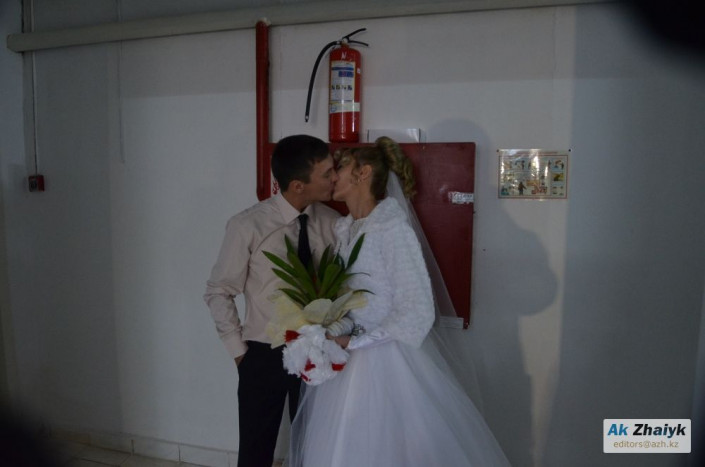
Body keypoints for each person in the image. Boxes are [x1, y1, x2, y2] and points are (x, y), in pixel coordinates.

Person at [290, 137, 511, 466]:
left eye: (341, 168)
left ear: (363, 173)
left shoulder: (392, 230)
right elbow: (348, 298)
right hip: (347, 355)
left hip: (387, 359)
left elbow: (417, 309)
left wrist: (357, 340)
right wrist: (330, 330)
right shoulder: (346, 230)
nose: (333, 176)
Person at [204, 135, 340, 467]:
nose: (335, 178)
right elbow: (219, 291)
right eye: (327, 173)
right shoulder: (247, 225)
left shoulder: (333, 224)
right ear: (297, 185)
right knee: (255, 450)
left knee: (315, 448)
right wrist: (240, 354)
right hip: (264, 353)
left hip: (318, 352)